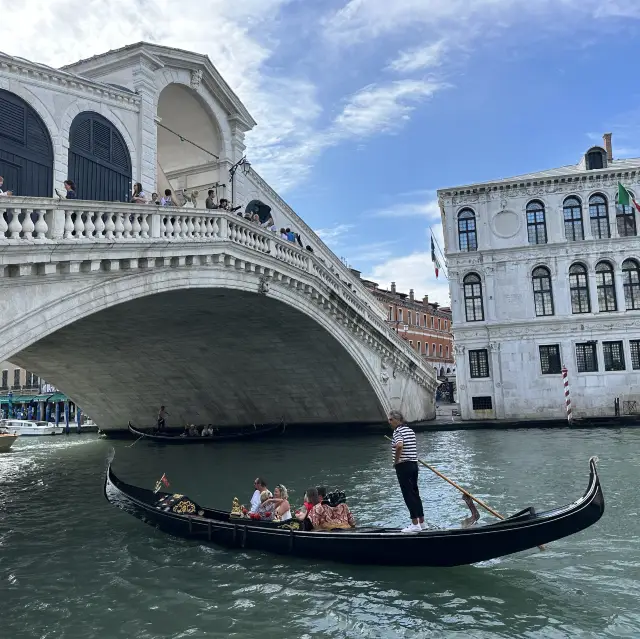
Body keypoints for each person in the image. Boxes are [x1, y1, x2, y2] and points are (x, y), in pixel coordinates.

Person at [389, 410, 425, 532]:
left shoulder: (397, 431)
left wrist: (396, 461)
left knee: (408, 494)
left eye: (390, 419)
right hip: (414, 465)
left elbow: (399, 445)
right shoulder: (410, 430)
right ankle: (422, 523)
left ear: (396, 420)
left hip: (404, 466)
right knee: (415, 493)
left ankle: (415, 524)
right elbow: (407, 445)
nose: (389, 422)